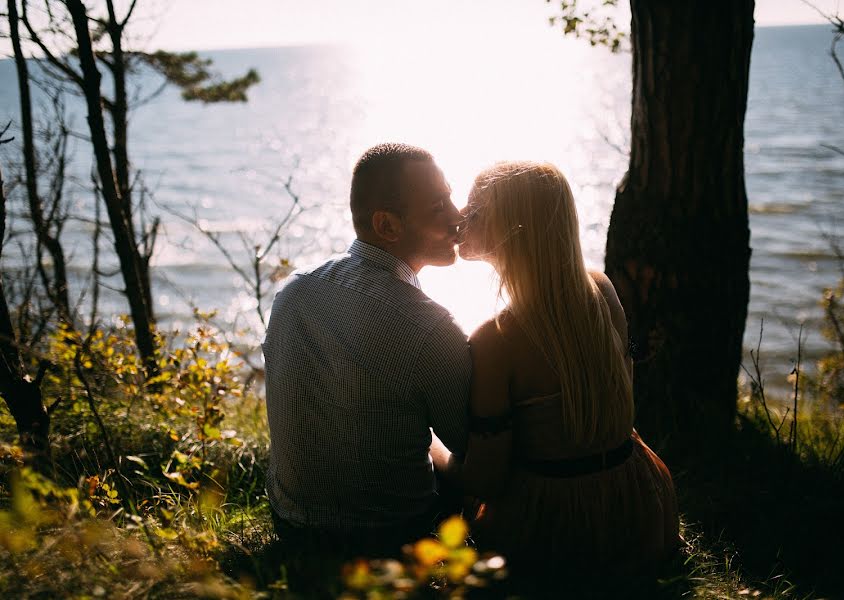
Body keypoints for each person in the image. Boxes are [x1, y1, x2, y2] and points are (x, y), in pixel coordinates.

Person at [431, 161, 679, 581]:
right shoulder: (601, 289)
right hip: (636, 505)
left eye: (474, 211)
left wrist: (431, 449)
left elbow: (485, 481)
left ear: (512, 229)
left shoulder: (495, 341)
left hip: (554, 527)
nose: (459, 217)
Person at [264, 143, 470, 558]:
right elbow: (476, 448)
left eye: (451, 197)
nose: (458, 216)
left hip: (292, 524)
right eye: (438, 207)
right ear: (387, 225)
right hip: (391, 535)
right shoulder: (428, 326)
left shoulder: (294, 292)